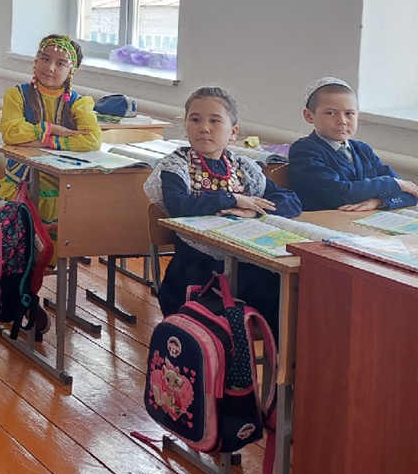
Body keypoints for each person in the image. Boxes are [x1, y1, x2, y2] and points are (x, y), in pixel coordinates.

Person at [143, 86, 303, 333]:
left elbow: (291, 201)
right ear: (186, 125)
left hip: (247, 263)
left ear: (233, 132)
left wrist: (254, 211)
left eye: (215, 121)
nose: (204, 128)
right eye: (195, 119)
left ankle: (276, 356)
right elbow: (179, 205)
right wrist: (232, 199)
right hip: (198, 271)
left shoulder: (243, 168)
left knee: (288, 296)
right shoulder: (176, 165)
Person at [0, 34, 102, 247]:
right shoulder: (17, 95)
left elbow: (92, 140)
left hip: (63, 182)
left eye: (60, 63)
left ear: (72, 71)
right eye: (45, 58)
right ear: (36, 60)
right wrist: (51, 129)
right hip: (23, 179)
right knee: (10, 235)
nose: (49, 67)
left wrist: (44, 142)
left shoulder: (79, 103)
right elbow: (11, 133)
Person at [288, 77, 418, 212]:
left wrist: (378, 202)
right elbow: (339, 194)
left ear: (358, 115)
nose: (342, 121)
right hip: (324, 219)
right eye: (330, 113)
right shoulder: (304, 150)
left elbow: (411, 193)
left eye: (349, 113)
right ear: (309, 116)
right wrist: (391, 183)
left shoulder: (363, 150)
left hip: (362, 218)